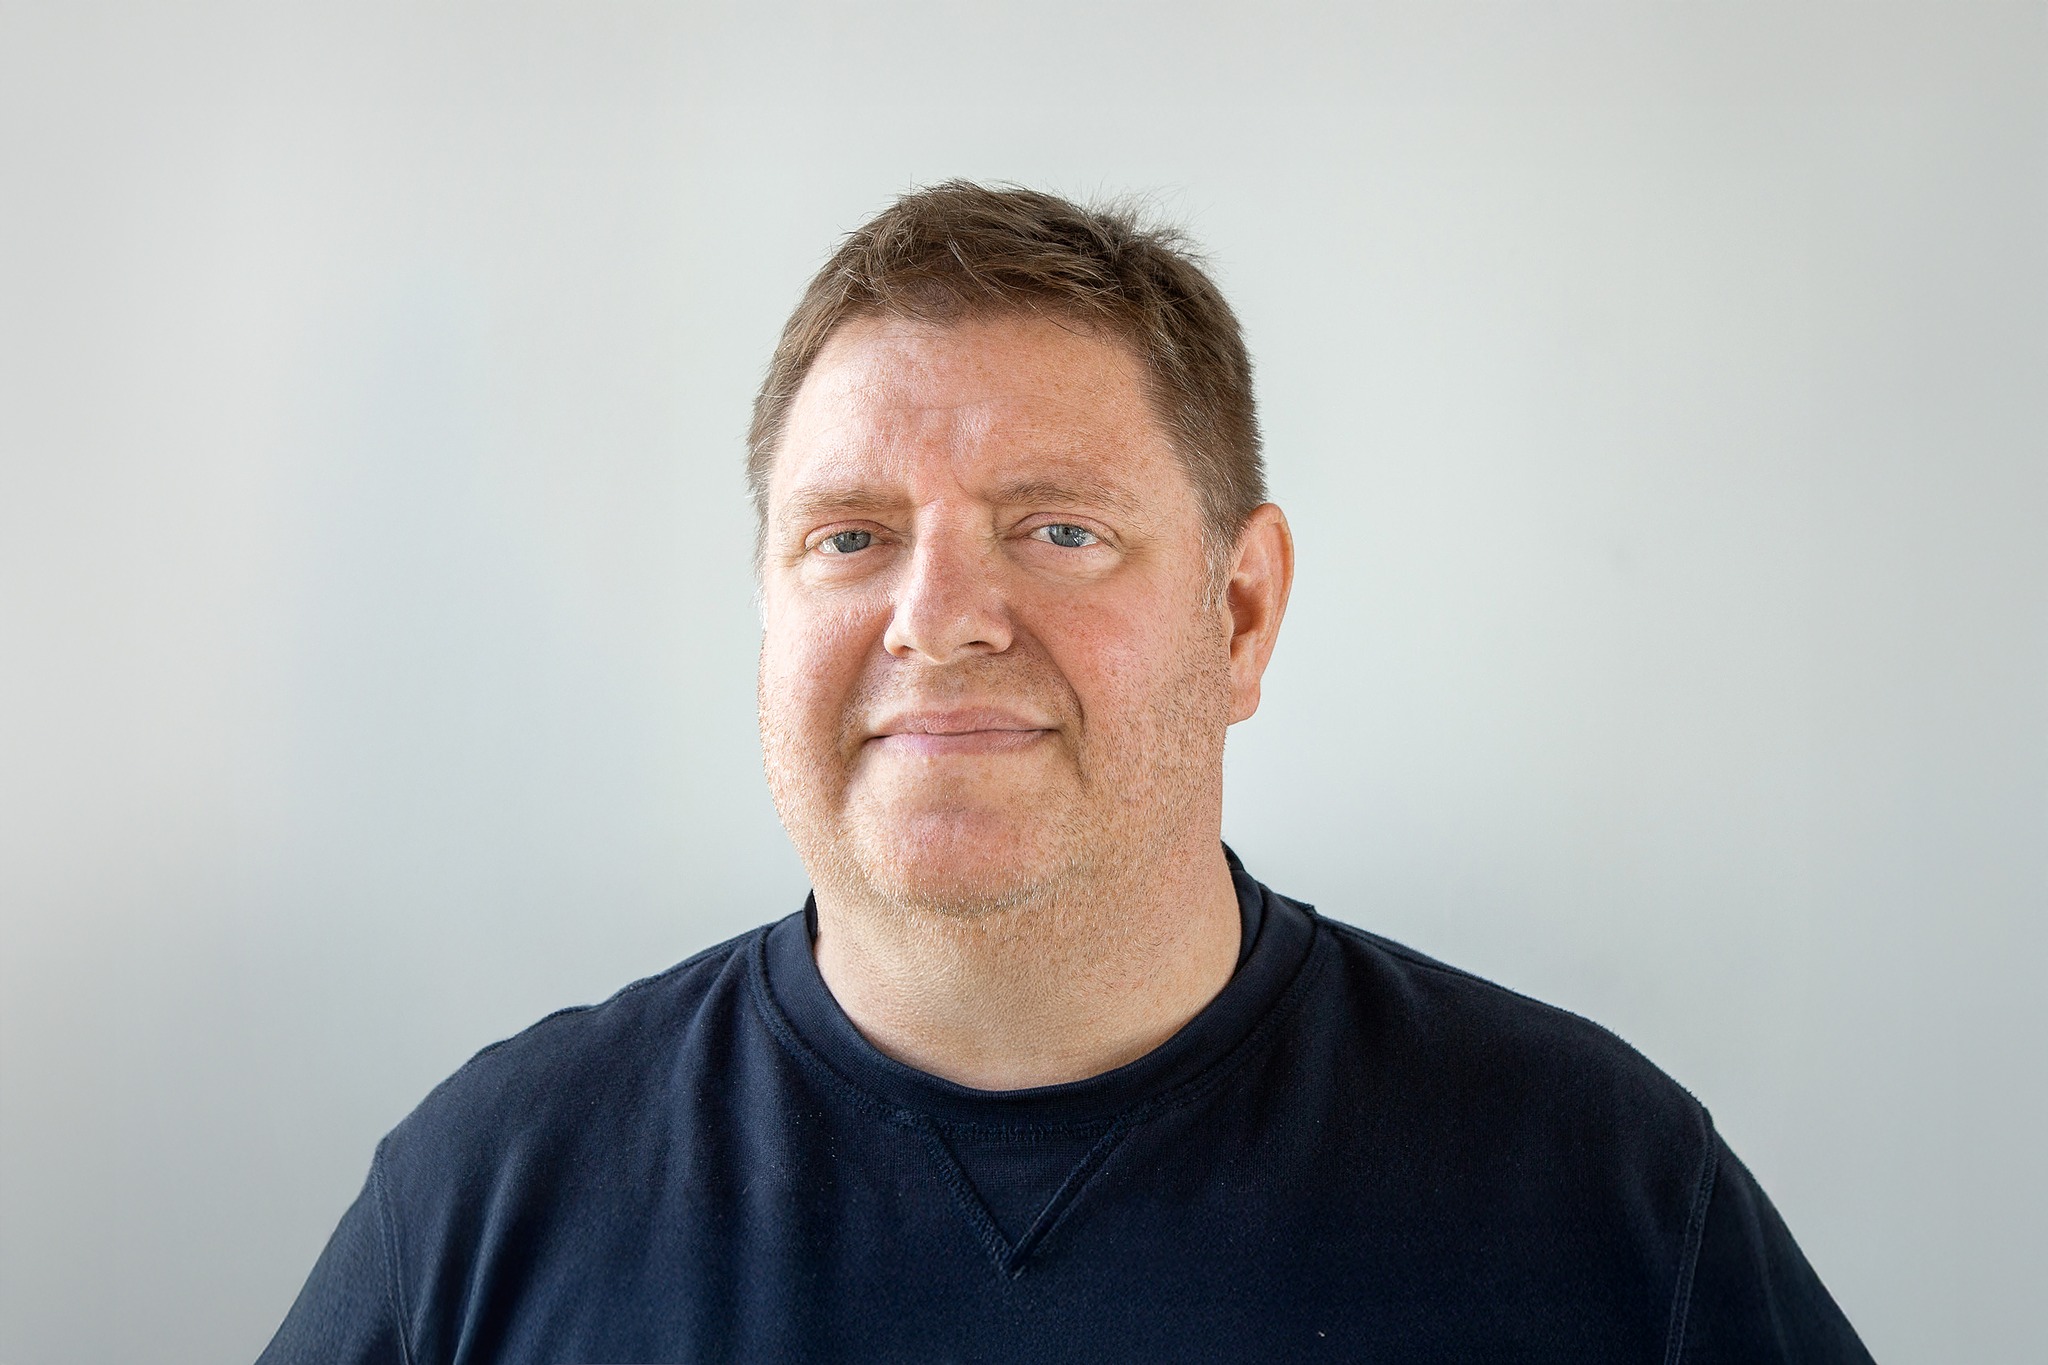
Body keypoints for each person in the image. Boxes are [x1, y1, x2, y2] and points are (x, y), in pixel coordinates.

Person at [259, 183, 1872, 1363]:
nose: (939, 616)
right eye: (851, 537)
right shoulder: (492, 1200)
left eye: (1059, 529)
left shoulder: (1595, 1194)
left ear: (1241, 613)